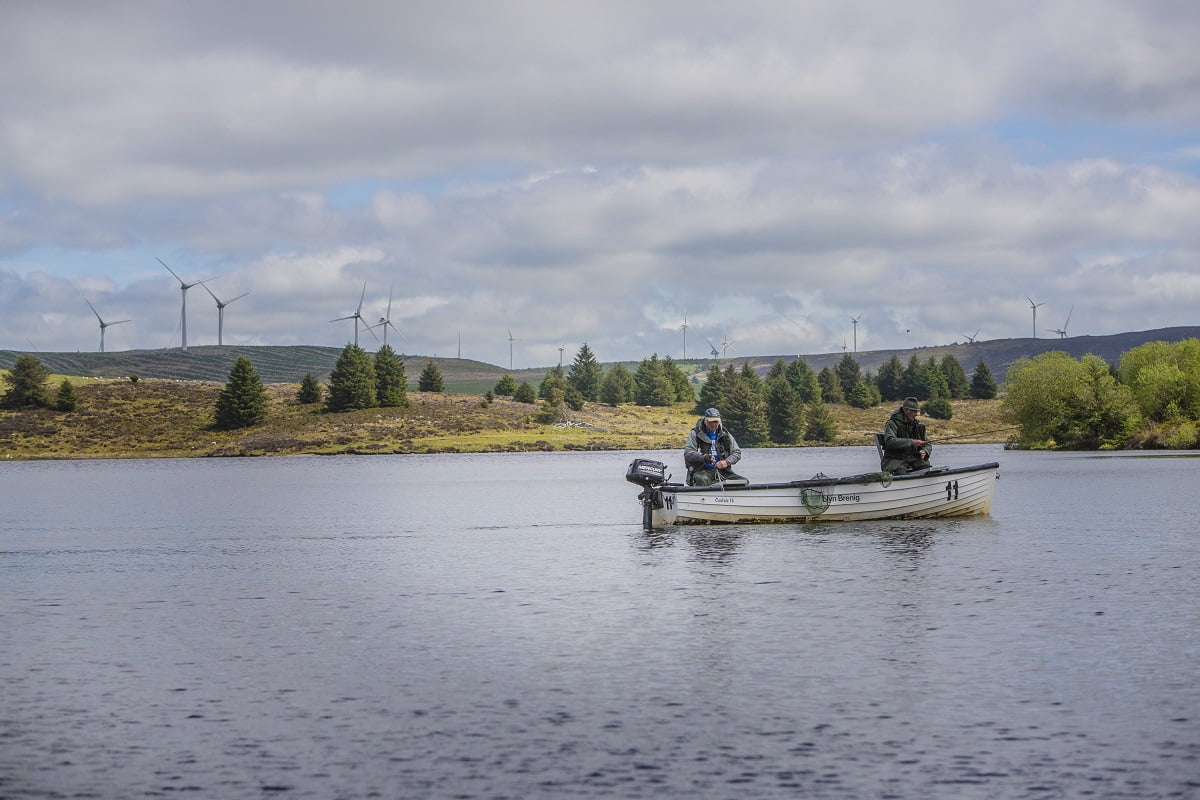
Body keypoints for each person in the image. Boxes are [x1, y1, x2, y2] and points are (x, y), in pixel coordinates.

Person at [684, 407, 746, 486]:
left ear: (719, 421)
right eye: (711, 422)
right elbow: (688, 453)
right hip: (701, 471)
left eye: (716, 422)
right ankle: (713, 488)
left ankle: (717, 486)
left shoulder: (725, 434)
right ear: (705, 421)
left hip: (724, 472)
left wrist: (726, 462)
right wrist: (704, 457)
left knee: (743, 481)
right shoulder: (695, 433)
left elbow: (737, 453)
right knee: (701, 479)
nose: (714, 424)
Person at [880, 396, 932, 474]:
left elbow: (927, 443)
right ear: (906, 410)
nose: (916, 414)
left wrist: (925, 451)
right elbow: (890, 441)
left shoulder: (918, 425)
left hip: (914, 459)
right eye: (914, 411)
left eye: (917, 411)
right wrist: (911, 442)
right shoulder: (892, 423)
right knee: (901, 471)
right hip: (894, 460)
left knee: (926, 468)